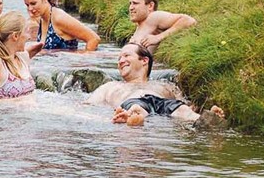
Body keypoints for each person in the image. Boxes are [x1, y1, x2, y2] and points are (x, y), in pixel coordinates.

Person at [87, 43, 224, 125]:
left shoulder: (165, 85)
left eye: (126, 56)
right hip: (132, 101)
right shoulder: (110, 86)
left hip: (162, 102)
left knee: (184, 111)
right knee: (137, 108)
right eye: (119, 58)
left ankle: (208, 120)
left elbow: (186, 104)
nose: (121, 61)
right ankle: (132, 118)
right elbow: (87, 107)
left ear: (144, 60)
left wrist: (194, 110)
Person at [22, 0, 100, 54]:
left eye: (33, 3)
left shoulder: (58, 18)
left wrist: (83, 59)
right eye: (27, 5)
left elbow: (93, 38)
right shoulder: (41, 19)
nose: (30, 9)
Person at [128, 0, 197, 53]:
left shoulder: (154, 17)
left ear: (150, 6)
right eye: (130, 3)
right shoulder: (142, 24)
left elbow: (188, 20)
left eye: (135, 3)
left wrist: (158, 37)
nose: (131, 8)